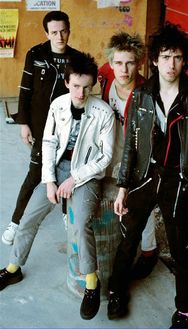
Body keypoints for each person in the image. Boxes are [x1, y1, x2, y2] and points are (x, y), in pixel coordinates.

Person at [107, 22, 188, 328]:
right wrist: (122, 187)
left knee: (180, 246)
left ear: (185, 61)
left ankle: (183, 309)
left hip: (177, 180)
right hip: (145, 175)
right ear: (154, 59)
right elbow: (131, 144)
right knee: (128, 238)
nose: (171, 64)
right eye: (166, 56)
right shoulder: (142, 95)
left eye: (178, 57)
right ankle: (116, 291)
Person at [0, 53, 115, 321]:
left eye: (86, 87)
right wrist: (50, 180)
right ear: (66, 82)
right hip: (57, 170)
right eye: (75, 85)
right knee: (29, 217)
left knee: (81, 223)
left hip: (85, 174)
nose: (80, 92)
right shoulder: (58, 105)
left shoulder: (103, 112)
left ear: (93, 85)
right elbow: (49, 143)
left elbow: (105, 157)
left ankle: (91, 284)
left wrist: (75, 179)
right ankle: (13, 267)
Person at [2, 11, 81, 245]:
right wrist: (24, 123)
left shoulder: (76, 58)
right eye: (54, 32)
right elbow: (25, 90)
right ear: (46, 33)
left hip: (66, 128)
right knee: (35, 174)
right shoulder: (35, 54)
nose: (59, 36)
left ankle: (68, 215)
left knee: (66, 171)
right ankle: (15, 222)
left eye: (63, 31)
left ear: (69, 29)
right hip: (39, 126)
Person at [98, 31, 158, 279]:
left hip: (137, 151)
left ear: (140, 63)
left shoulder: (147, 92)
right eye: (119, 63)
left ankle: (148, 250)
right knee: (104, 190)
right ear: (112, 63)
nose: (124, 69)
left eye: (130, 62)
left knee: (140, 201)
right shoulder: (106, 75)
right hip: (111, 145)